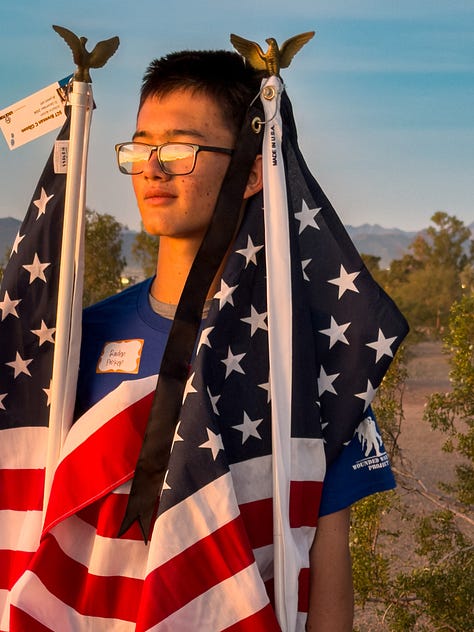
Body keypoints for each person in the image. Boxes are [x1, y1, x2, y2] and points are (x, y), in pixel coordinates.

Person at [10, 49, 404, 631]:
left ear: (251, 169)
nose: (153, 168)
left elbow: (325, 557)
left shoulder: (308, 355)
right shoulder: (70, 340)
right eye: (142, 146)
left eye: (181, 148)